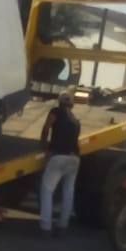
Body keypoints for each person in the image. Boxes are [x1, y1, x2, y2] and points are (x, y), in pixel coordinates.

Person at [38, 91, 81, 237]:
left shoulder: (56, 111)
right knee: (68, 191)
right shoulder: (76, 120)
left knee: (47, 190)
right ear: (72, 105)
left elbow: (46, 127)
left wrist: (43, 145)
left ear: (59, 102)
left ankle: (45, 226)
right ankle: (63, 225)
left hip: (59, 157)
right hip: (74, 158)